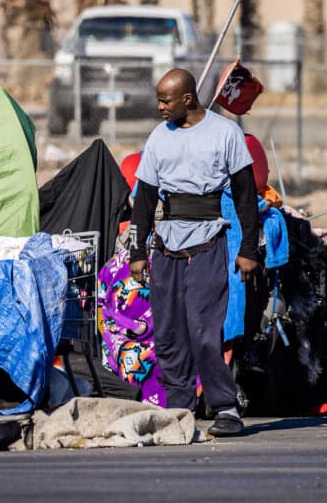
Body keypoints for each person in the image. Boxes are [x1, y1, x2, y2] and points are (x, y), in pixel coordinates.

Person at [128, 68, 260, 438]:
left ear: (187, 99)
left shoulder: (225, 134)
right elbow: (145, 201)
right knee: (169, 335)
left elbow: (247, 195)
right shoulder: (159, 137)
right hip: (166, 247)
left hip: (207, 243)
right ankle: (179, 409)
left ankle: (226, 407)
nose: (159, 107)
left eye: (165, 100)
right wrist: (138, 250)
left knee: (204, 332)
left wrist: (249, 248)